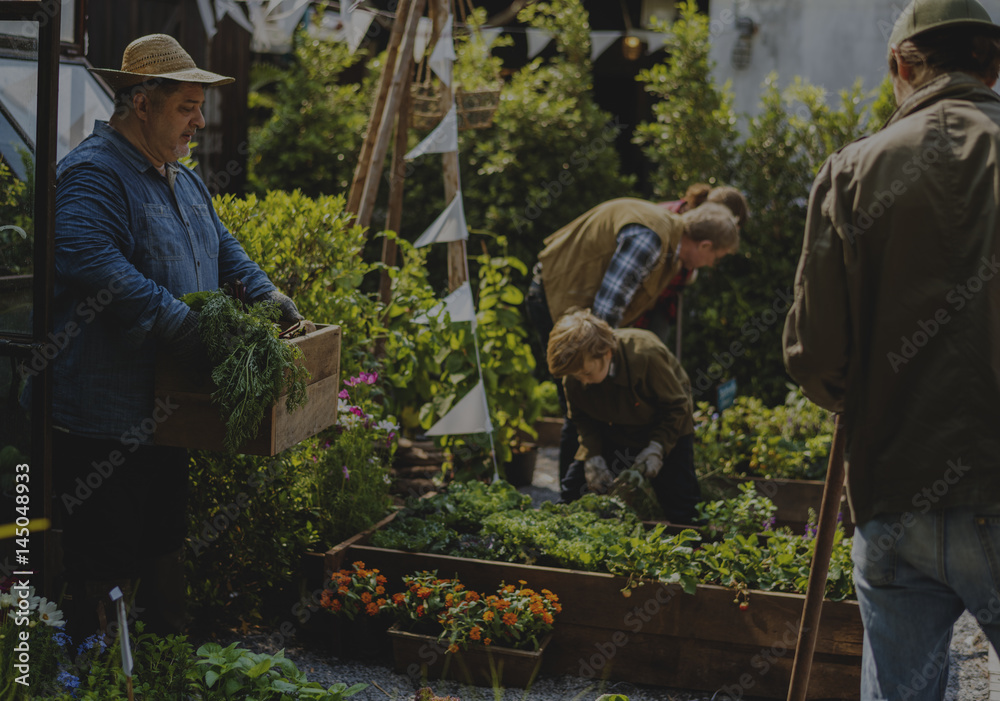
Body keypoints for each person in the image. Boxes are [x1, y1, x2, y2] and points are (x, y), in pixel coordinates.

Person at [49, 34, 306, 641]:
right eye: (186, 106)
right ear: (142, 103)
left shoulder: (181, 180)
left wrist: (267, 296)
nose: (199, 119)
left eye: (199, 106)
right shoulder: (93, 174)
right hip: (105, 416)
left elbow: (223, 249)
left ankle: (165, 660)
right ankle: (95, 666)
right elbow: (89, 260)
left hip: (168, 410)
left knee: (162, 538)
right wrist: (184, 327)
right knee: (104, 554)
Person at [782, 1, 1000, 697]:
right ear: (994, 66)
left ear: (900, 67)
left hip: (894, 492)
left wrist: (874, 394)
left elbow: (814, 356)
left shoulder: (851, 171)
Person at [526, 197, 739, 481]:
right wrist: (606, 362)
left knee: (592, 381)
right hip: (554, 294)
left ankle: (593, 485)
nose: (712, 264)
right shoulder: (650, 239)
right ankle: (572, 494)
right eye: (717, 257)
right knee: (577, 390)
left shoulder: (669, 245)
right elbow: (606, 311)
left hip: (580, 311)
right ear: (705, 246)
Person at [546, 309, 700, 522]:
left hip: (666, 427)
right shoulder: (575, 375)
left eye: (587, 374)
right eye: (575, 375)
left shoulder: (646, 355)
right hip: (615, 429)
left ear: (607, 353)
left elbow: (676, 407)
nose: (581, 381)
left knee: (681, 506)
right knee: (573, 493)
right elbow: (581, 418)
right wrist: (593, 455)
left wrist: (657, 448)